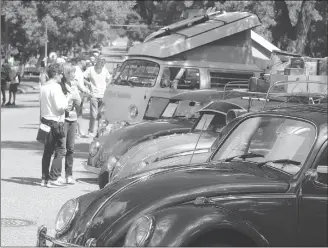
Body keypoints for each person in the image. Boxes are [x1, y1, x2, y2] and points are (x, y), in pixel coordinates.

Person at [40, 63, 71, 187]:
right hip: (55, 122)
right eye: (61, 74)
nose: (62, 76)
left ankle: (44, 178)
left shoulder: (43, 87)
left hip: (45, 121)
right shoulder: (56, 87)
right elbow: (59, 108)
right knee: (61, 150)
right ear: (57, 74)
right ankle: (54, 177)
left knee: (47, 151)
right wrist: (67, 100)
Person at [60, 63, 82, 184]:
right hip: (63, 119)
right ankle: (56, 174)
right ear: (66, 74)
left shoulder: (74, 85)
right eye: (71, 72)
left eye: (74, 72)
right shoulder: (61, 86)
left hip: (73, 119)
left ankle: (69, 175)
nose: (74, 74)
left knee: (71, 148)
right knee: (61, 148)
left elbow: (78, 101)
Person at [83, 57, 111, 137]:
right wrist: (88, 84)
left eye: (103, 63)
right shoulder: (90, 69)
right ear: (97, 62)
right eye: (101, 62)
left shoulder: (105, 70)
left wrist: (106, 85)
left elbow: (109, 78)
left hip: (103, 95)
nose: (102, 64)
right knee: (94, 114)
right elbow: (83, 77)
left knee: (101, 115)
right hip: (94, 95)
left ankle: (99, 133)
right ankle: (90, 131)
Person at [70, 58, 90, 137]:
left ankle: (75, 131)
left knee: (73, 113)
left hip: (72, 94)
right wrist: (87, 91)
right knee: (78, 114)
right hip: (78, 95)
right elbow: (80, 85)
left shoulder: (73, 70)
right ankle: (77, 131)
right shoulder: (78, 71)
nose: (85, 65)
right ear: (80, 63)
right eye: (84, 63)